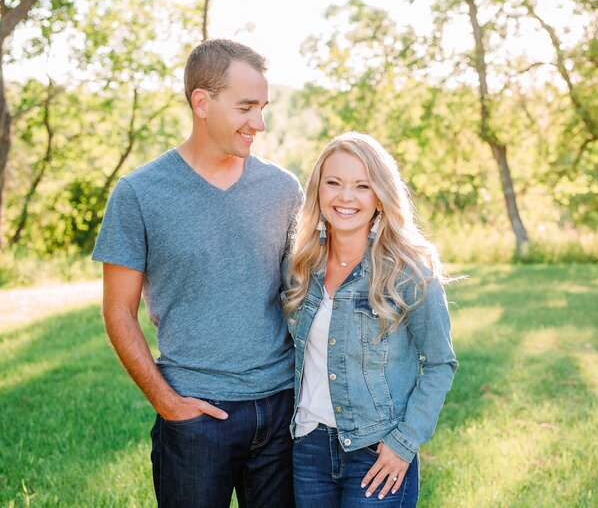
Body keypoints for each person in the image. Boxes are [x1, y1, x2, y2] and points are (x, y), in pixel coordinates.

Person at [92, 39, 303, 507]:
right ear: (202, 102)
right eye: (246, 107)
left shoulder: (283, 189)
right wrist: (169, 405)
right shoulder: (140, 194)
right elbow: (119, 312)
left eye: (263, 107)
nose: (259, 123)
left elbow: (304, 293)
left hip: (281, 411)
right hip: (195, 418)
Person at [282, 132, 458, 507]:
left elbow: (441, 363)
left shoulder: (409, 272)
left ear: (379, 196)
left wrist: (404, 443)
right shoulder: (300, 266)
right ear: (318, 191)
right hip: (309, 449)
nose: (346, 197)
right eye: (334, 183)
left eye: (362, 186)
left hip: (377, 453)